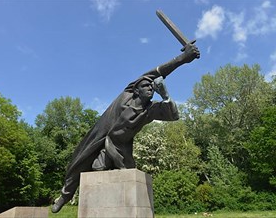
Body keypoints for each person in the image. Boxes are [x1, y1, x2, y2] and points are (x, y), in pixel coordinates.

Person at [51, 41, 200, 213]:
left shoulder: (150, 110)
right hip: (100, 134)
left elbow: (173, 115)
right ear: (137, 90)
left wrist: (166, 95)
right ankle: (64, 196)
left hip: (120, 147)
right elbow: (158, 72)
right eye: (146, 86)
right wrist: (183, 58)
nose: (150, 88)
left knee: (98, 168)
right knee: (78, 163)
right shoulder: (128, 93)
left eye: (152, 87)